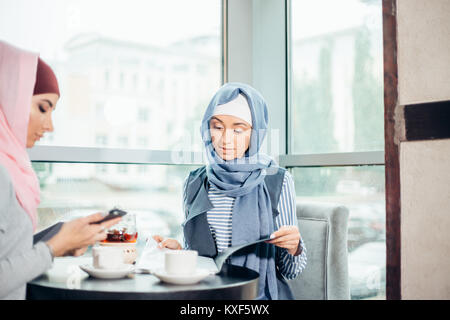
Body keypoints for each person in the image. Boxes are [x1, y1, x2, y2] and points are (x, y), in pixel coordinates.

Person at [153, 82, 307, 300]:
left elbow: (292, 271)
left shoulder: (277, 180)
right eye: (217, 127)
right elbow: (199, 258)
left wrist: (294, 247)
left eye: (238, 129)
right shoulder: (194, 182)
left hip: (258, 297)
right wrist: (179, 252)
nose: (225, 139)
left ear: (255, 133)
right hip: (204, 297)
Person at [0, 41, 122, 300]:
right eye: (42, 108)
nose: (49, 126)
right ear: (8, 95)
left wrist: (63, 238)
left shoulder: (11, 165)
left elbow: (8, 252)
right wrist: (54, 248)